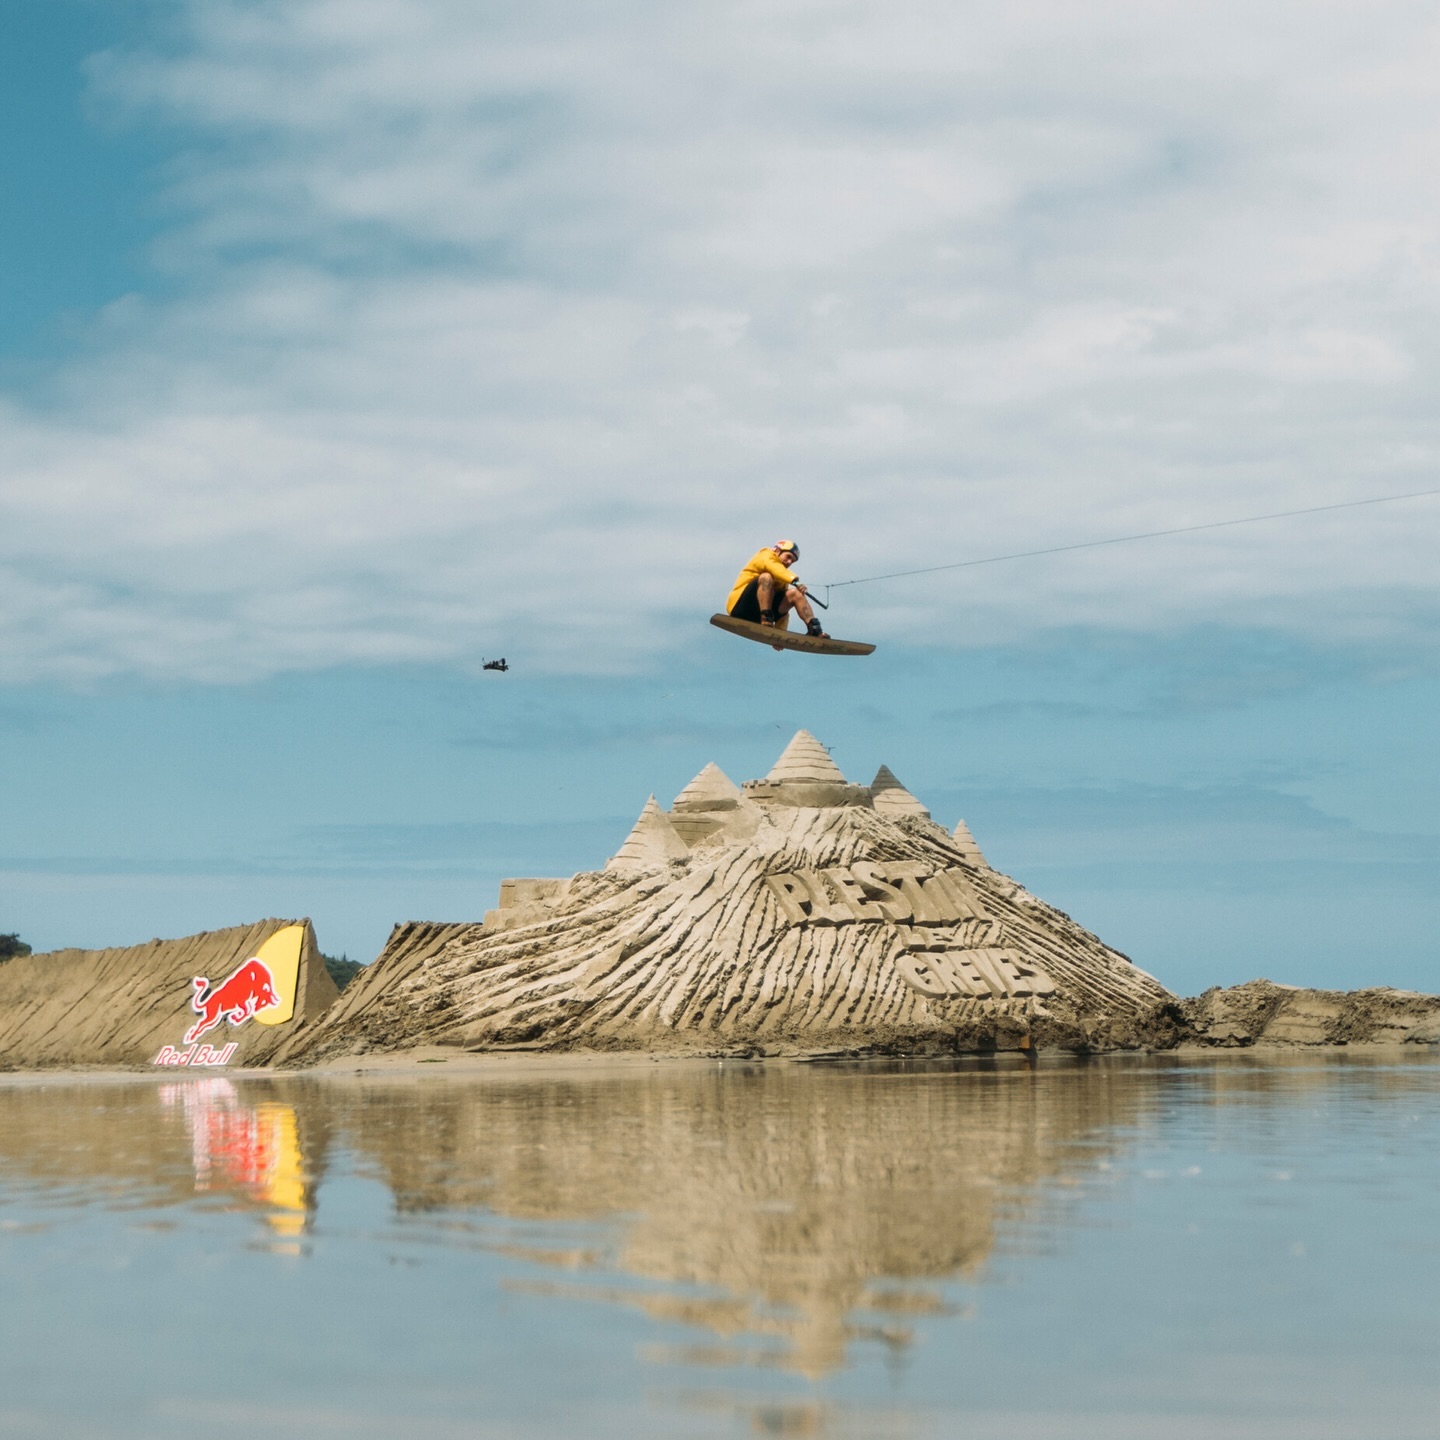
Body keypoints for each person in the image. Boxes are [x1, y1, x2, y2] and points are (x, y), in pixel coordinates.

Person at [726, 540, 829, 638]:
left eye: (792, 561)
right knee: (766, 577)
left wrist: (780, 635)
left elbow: (784, 610)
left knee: (795, 594)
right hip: (741, 608)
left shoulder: (782, 579)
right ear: (778, 551)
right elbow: (772, 566)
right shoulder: (766, 554)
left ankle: (815, 630)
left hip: (757, 617)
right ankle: (766, 617)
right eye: (788, 557)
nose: (789, 562)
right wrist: (794, 580)